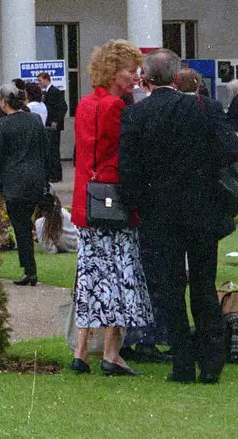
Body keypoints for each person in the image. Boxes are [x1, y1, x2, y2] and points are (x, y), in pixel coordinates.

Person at [120, 48, 238, 385]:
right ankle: (212, 363)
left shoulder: (136, 116)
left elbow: (128, 171)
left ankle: (183, 364)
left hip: (160, 214)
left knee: (171, 290)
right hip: (201, 208)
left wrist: (141, 204)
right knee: (203, 286)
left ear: (145, 79)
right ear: (176, 77)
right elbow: (232, 148)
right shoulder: (204, 108)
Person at [68, 40, 150, 377]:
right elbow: (121, 157)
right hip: (111, 203)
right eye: (130, 71)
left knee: (90, 276)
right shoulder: (117, 106)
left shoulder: (86, 103)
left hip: (86, 202)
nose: (135, 76)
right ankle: (112, 354)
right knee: (119, 275)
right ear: (113, 72)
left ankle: (81, 351)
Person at [0, 83, 49, 286]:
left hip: (14, 181)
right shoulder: (34, 120)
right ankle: (29, 269)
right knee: (25, 224)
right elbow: (45, 149)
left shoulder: (2, 125)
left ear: (4, 102)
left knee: (21, 227)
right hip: (35, 179)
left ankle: (30, 269)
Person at [40, 71, 67, 183]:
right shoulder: (47, 92)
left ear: (46, 79)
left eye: (40, 80)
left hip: (53, 126)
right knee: (51, 150)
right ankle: (53, 174)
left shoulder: (54, 91)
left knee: (54, 150)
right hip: (50, 124)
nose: (39, 83)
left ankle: (56, 175)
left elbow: (63, 107)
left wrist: (56, 121)